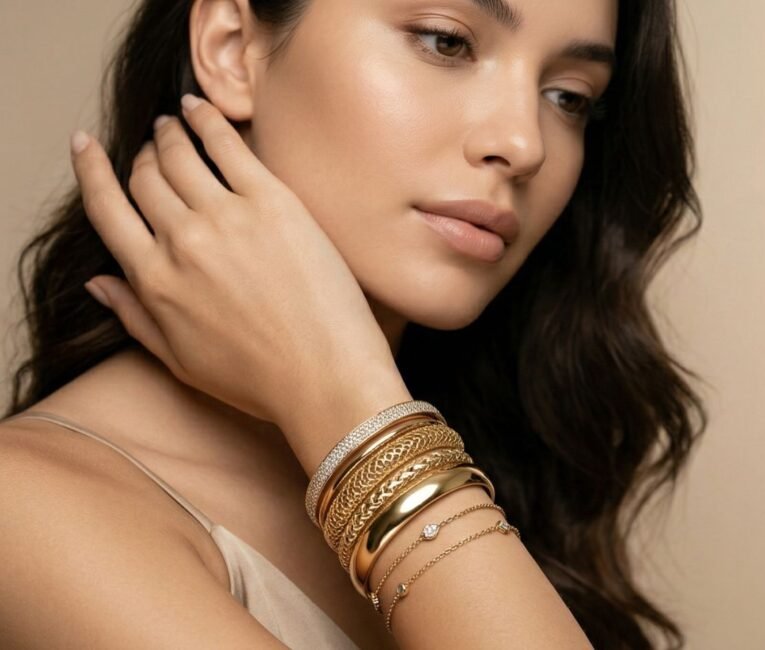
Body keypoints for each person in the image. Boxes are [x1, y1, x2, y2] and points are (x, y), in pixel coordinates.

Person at [0, 0, 706, 647]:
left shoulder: (508, 464)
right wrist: (352, 407)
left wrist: (347, 401)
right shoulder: (28, 508)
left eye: (570, 97)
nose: (525, 144)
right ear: (231, 47)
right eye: (446, 42)